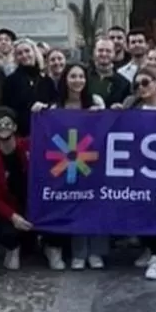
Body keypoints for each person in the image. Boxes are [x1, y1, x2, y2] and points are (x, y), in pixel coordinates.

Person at [50, 64, 107, 270]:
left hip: (94, 160)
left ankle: (96, 252)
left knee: (96, 205)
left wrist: (100, 114)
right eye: (73, 76)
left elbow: (107, 128)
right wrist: (39, 111)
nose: (77, 80)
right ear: (65, 79)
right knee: (77, 205)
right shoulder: (57, 107)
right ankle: (79, 252)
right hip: (69, 163)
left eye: (81, 76)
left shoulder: (95, 101)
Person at [124, 67, 156, 280]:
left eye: (145, 83)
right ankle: (149, 249)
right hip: (135, 168)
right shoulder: (131, 108)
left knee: (154, 209)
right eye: (137, 85)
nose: (141, 88)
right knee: (139, 208)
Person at [0, 106, 33, 271]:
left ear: (14, 127)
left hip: (32, 204)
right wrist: (13, 217)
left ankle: (49, 247)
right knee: (7, 233)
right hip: (9, 208)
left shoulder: (28, 146)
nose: (3, 128)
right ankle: (12, 248)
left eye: (7, 124)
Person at [2, 38, 44, 136]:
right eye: (20, 53)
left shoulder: (45, 79)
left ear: (34, 52)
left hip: (44, 131)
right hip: (21, 134)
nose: (24, 55)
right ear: (16, 58)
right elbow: (8, 108)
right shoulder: (10, 80)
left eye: (27, 51)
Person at [88, 38, 131, 108]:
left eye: (108, 51)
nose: (104, 54)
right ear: (94, 52)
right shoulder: (84, 77)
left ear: (114, 53)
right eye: (100, 50)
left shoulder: (124, 83)